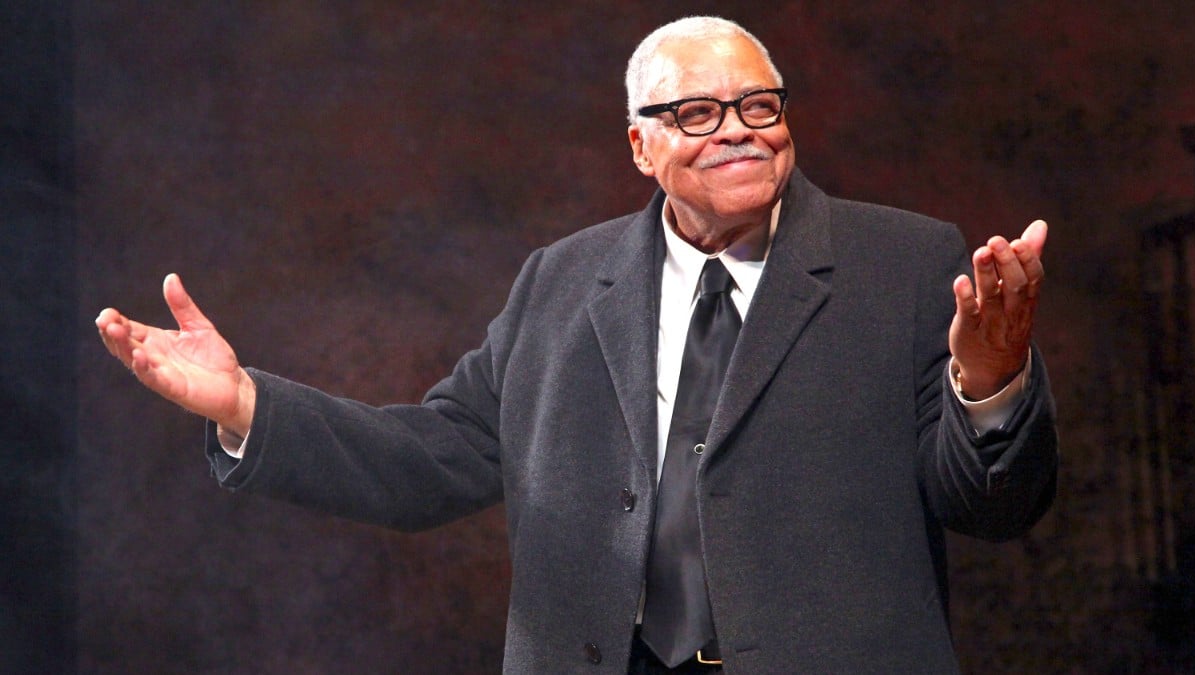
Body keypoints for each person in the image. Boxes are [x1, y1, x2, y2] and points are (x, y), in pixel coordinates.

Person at [96, 16, 1057, 675]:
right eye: (696, 114)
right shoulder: (560, 280)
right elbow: (434, 460)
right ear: (640, 146)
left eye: (759, 106)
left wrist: (992, 377)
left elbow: (995, 506)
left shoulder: (910, 262)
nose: (737, 134)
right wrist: (244, 408)